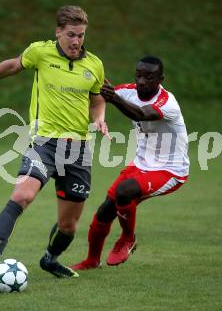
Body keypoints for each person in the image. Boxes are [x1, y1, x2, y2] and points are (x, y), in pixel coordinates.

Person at [0, 5, 108, 283]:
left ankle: (50, 259)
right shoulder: (41, 52)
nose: (76, 41)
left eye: (81, 35)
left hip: (78, 149)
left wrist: (100, 119)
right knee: (22, 196)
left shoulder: (94, 64)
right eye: (71, 34)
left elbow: (97, 99)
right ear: (58, 32)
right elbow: (12, 65)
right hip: (44, 143)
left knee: (68, 226)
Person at [71, 56, 189, 270]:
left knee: (124, 191)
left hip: (170, 170)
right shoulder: (127, 91)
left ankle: (127, 239)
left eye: (149, 77)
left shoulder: (166, 101)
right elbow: (97, 95)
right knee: (105, 211)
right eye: (139, 75)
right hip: (141, 164)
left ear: (160, 79)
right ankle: (91, 261)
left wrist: (114, 98)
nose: (142, 81)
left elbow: (142, 114)